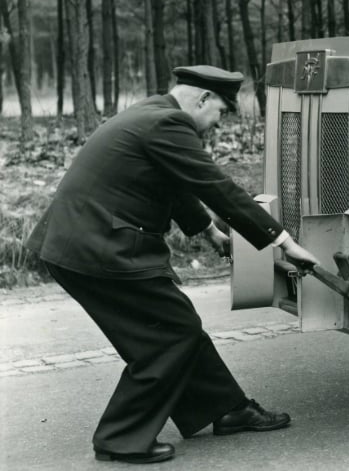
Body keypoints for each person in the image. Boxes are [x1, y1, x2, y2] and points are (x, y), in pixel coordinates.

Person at [25, 65, 320, 464]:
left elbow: (174, 181)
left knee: (175, 324)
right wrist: (283, 242)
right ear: (202, 99)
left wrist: (208, 232)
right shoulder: (168, 123)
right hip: (100, 248)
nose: (215, 127)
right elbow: (217, 187)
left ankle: (226, 408)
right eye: (218, 114)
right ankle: (120, 437)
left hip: (81, 243)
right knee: (169, 336)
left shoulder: (151, 113)